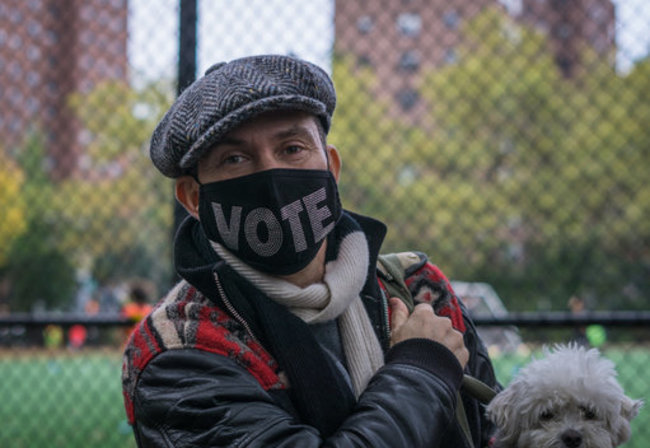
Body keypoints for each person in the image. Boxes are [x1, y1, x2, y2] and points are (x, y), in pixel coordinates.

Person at [122, 54, 500, 447]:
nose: (269, 175)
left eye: (292, 148)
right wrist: (422, 369)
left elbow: (497, 432)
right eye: (235, 159)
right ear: (194, 198)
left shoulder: (418, 287)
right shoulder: (177, 353)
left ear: (331, 168)